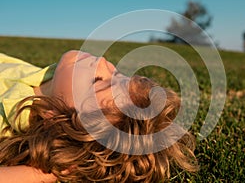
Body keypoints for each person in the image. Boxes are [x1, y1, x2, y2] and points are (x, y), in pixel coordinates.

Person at [0, 50, 198, 182]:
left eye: (96, 81)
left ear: (56, 119)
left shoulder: (7, 118)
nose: (103, 63)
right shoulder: (49, 78)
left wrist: (57, 168)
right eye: (118, 74)